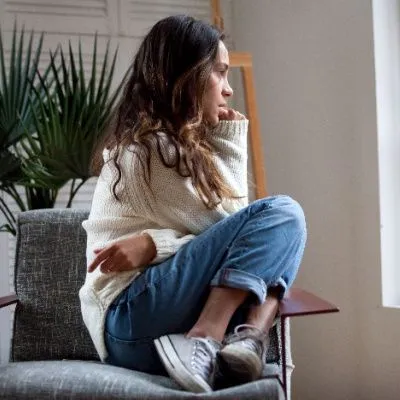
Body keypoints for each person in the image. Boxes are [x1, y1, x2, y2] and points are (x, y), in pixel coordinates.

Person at [79, 14, 307, 394]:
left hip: (150, 323)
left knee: (274, 243)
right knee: (285, 215)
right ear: (187, 75)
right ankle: (215, 335)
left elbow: (240, 243)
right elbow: (240, 225)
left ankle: (247, 340)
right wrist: (232, 139)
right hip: (132, 316)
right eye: (219, 73)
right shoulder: (150, 151)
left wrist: (155, 244)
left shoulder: (178, 148)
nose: (228, 90)